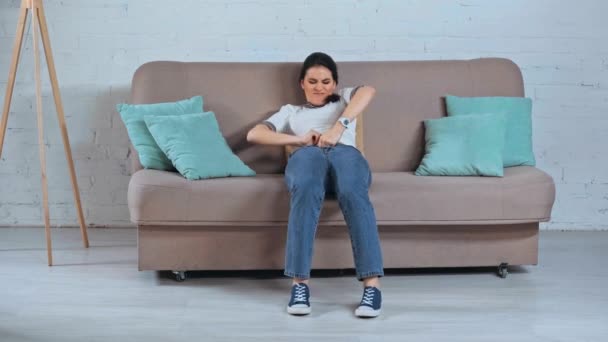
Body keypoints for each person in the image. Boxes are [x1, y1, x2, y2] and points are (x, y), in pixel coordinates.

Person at [247, 52, 384, 318]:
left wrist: (338, 128)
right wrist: (298, 139)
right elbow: (255, 134)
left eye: (325, 81)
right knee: (306, 190)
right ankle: (300, 286)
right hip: (307, 154)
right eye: (312, 81)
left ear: (334, 83)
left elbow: (368, 91)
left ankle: (372, 288)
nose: (319, 87)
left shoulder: (344, 99)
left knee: (352, 191)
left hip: (345, 153)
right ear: (302, 83)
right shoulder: (291, 111)